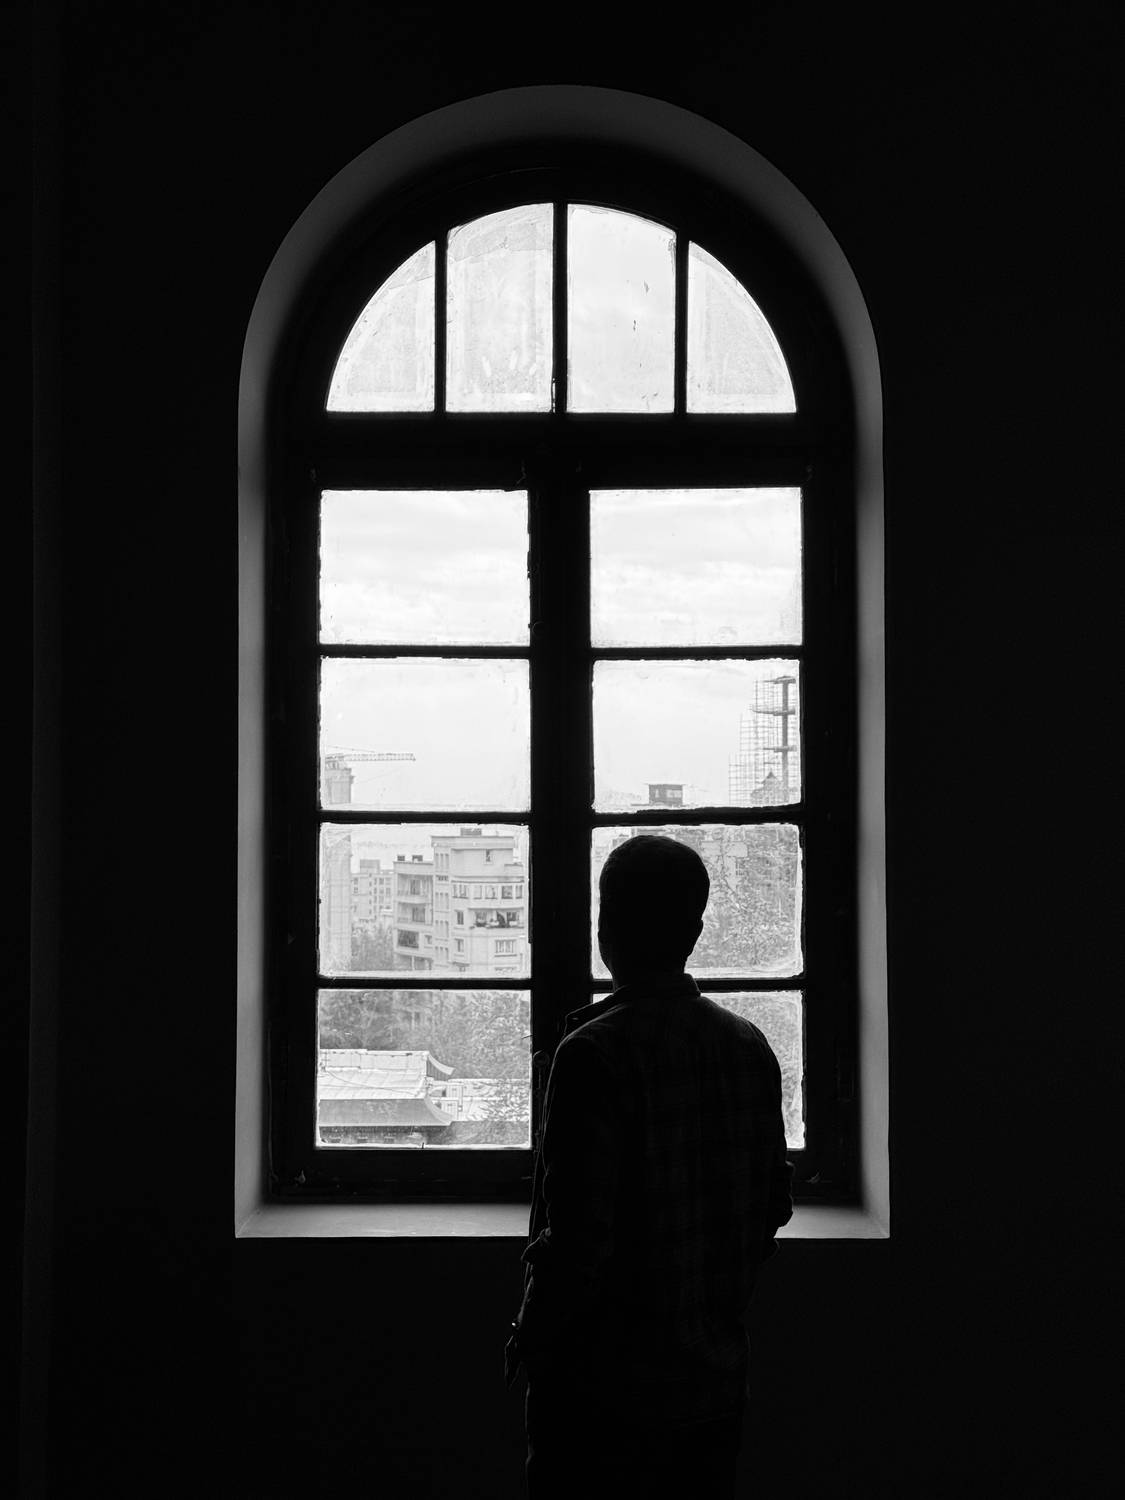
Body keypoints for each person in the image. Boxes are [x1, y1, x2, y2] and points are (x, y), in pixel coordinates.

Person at [504, 833, 793, 1499]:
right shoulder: (748, 1046)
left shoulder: (592, 1054)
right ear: (694, 931)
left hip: (602, 1398)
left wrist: (530, 1333)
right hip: (712, 1387)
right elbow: (770, 1206)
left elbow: (577, 1242)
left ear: (604, 927)